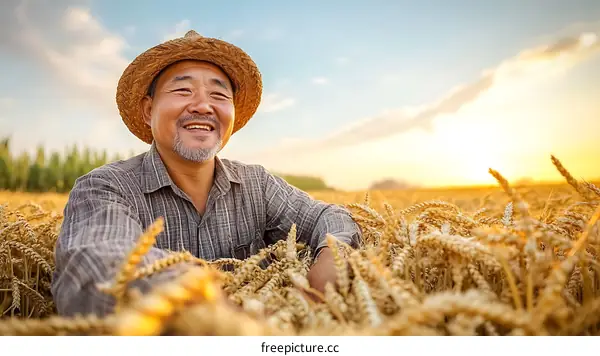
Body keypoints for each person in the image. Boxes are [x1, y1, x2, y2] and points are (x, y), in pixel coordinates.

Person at [51, 30, 362, 317]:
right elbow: (98, 269)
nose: (202, 106)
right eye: (183, 90)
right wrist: (218, 315)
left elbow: (330, 216)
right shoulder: (106, 187)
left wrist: (332, 256)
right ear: (148, 110)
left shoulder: (258, 184)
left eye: (219, 95)